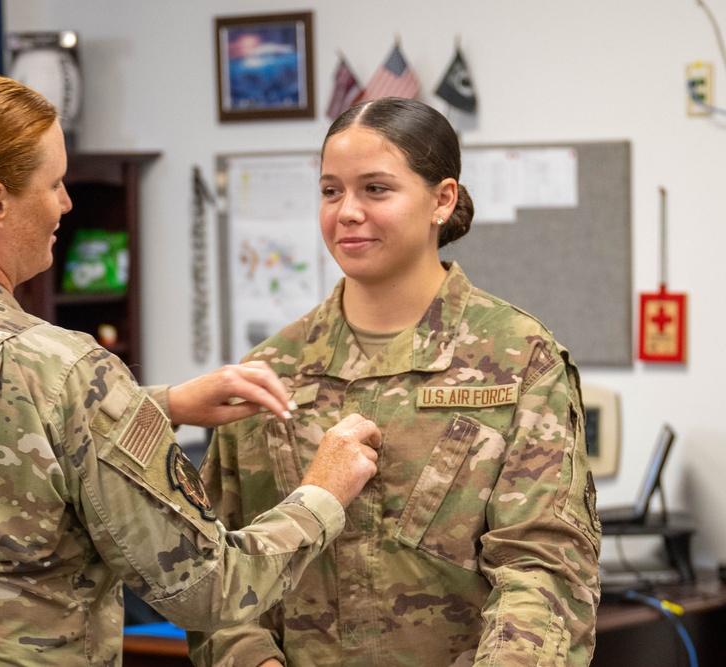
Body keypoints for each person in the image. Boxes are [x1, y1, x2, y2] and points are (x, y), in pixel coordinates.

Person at [0, 70, 383, 666]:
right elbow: (207, 589)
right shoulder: (61, 369)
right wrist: (322, 492)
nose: (66, 203)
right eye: (54, 183)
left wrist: (161, 405)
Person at [187, 97, 602, 667]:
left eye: (375, 189)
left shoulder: (517, 359)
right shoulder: (272, 371)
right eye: (332, 191)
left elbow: (546, 569)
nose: (347, 212)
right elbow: (219, 576)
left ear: (442, 199)